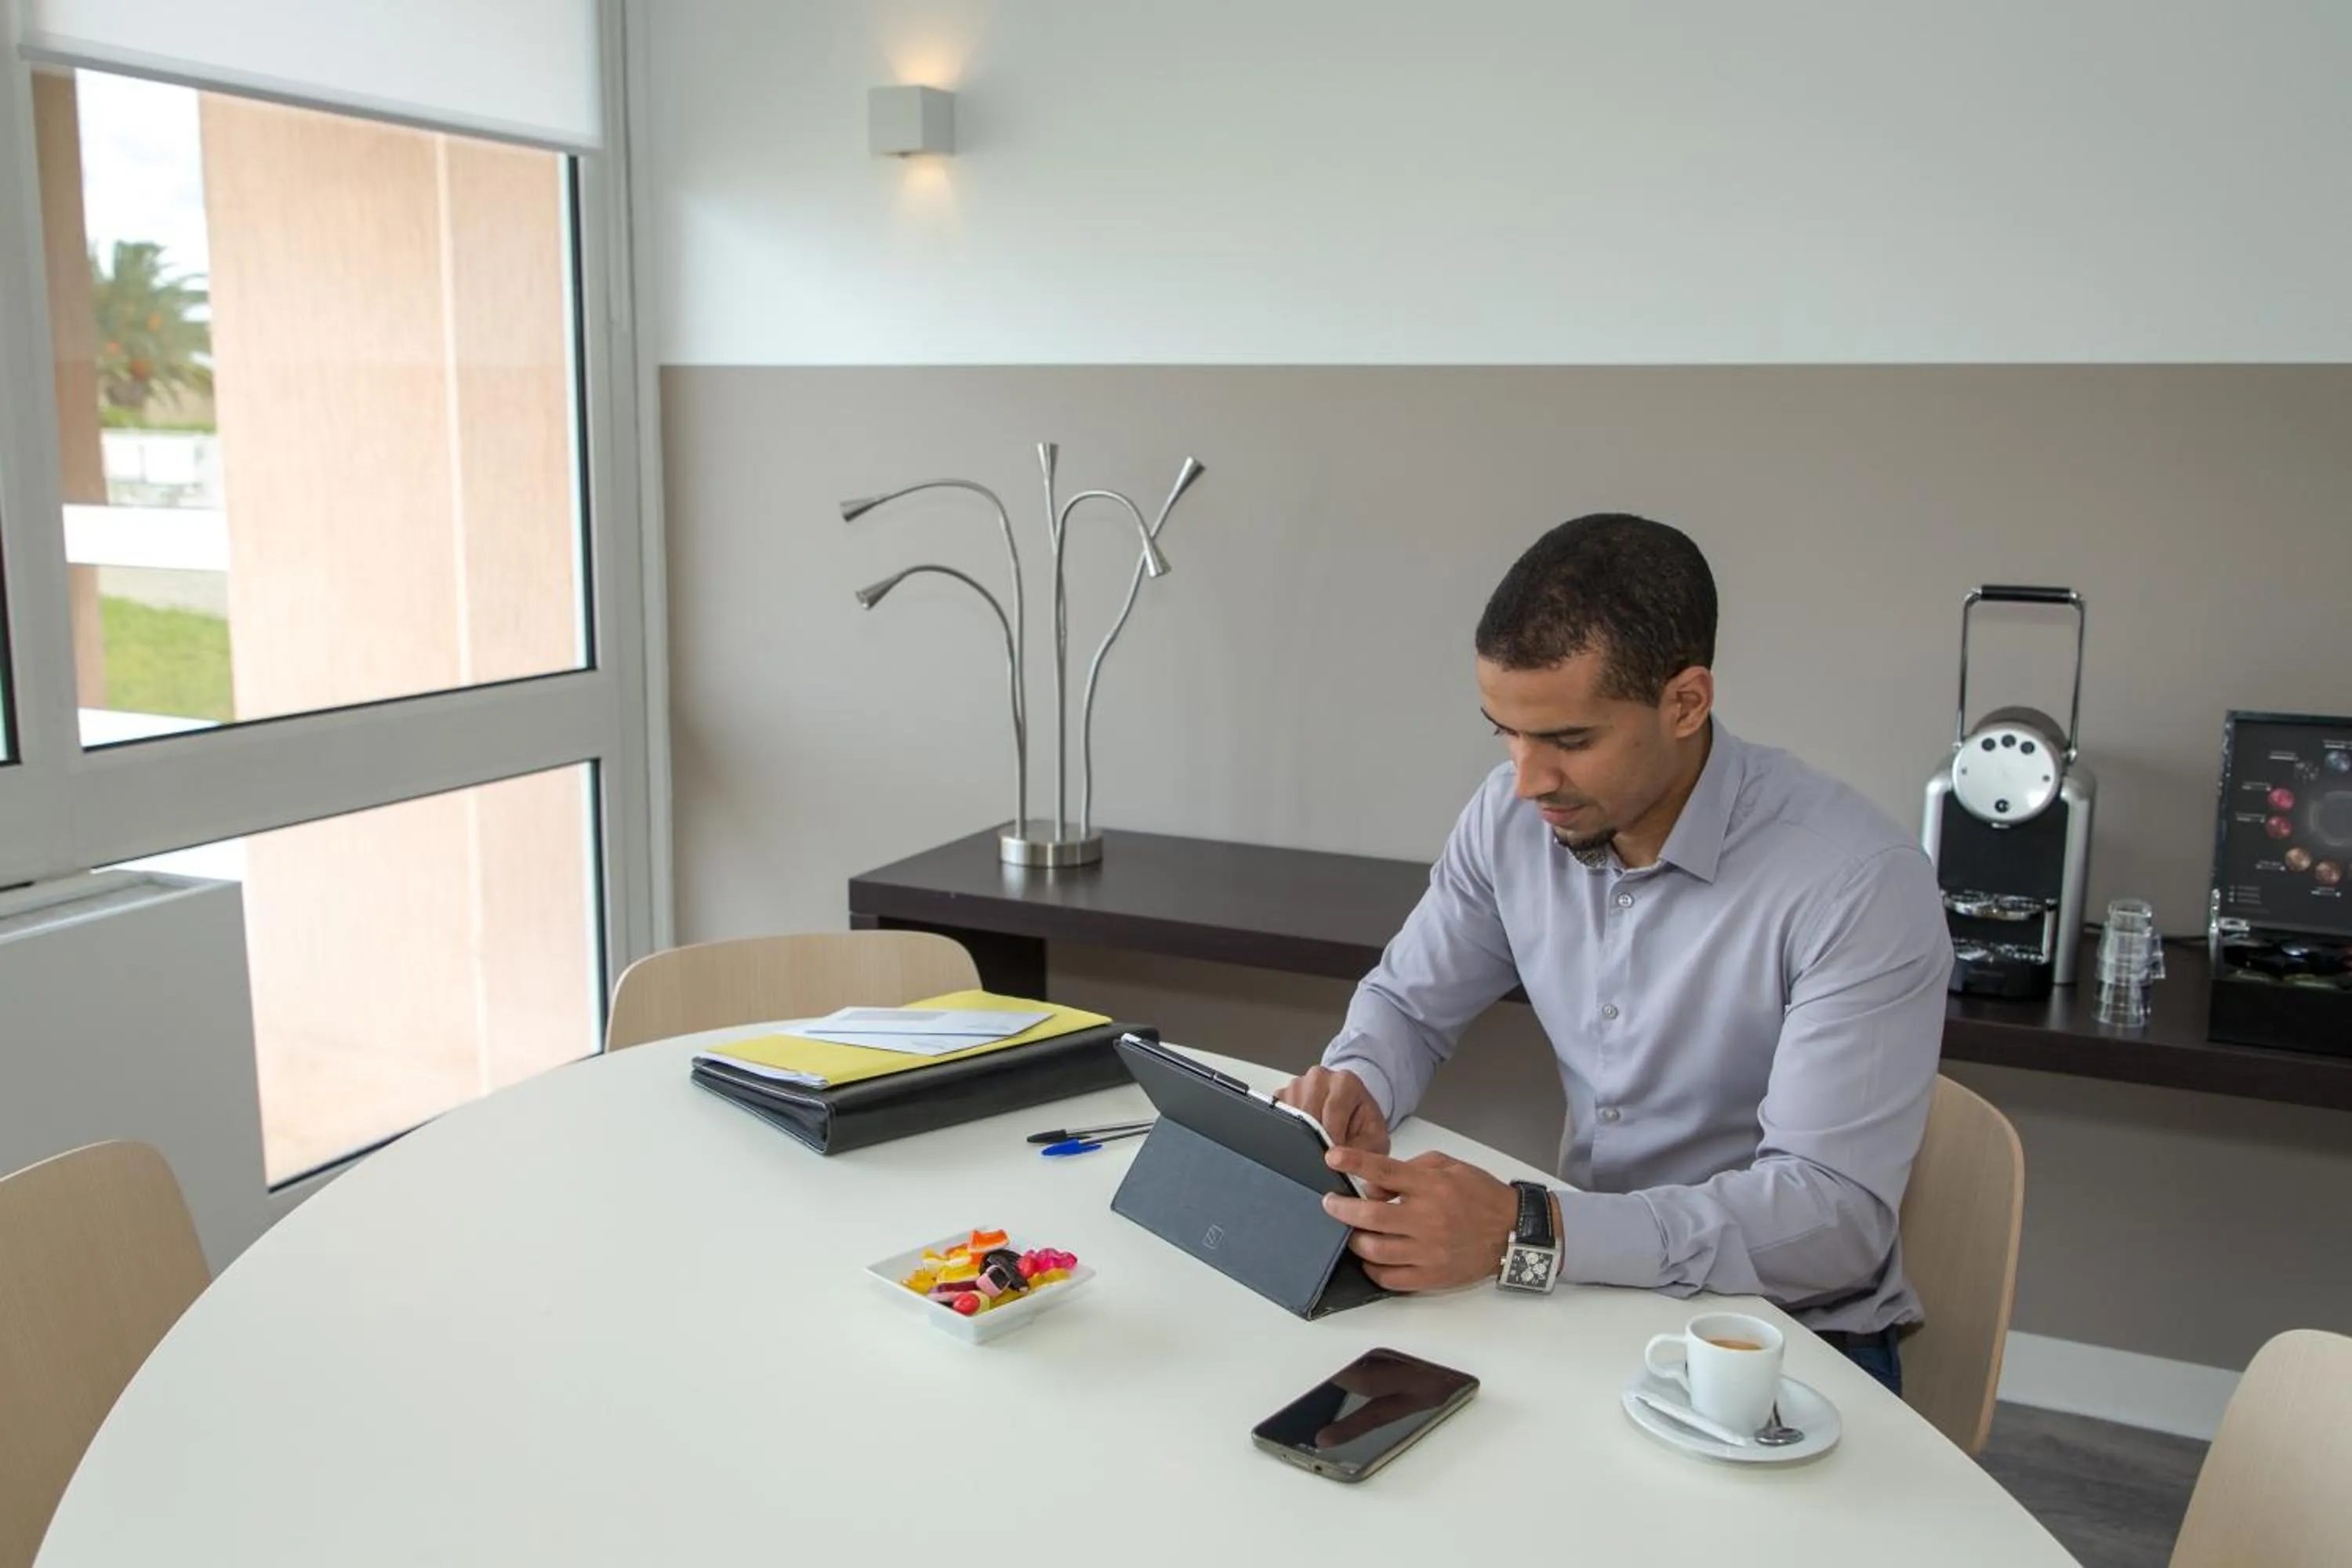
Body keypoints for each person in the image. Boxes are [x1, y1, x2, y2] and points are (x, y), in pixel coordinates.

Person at [1276, 513, 1951, 1393]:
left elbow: (1830, 1218)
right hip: (1582, 1293)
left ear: (1686, 702)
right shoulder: (1512, 815)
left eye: (1568, 740)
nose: (1527, 781)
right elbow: (1408, 1003)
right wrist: (1356, 1078)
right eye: (1506, 733)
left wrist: (1530, 1226)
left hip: (1786, 1342)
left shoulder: (1857, 882)